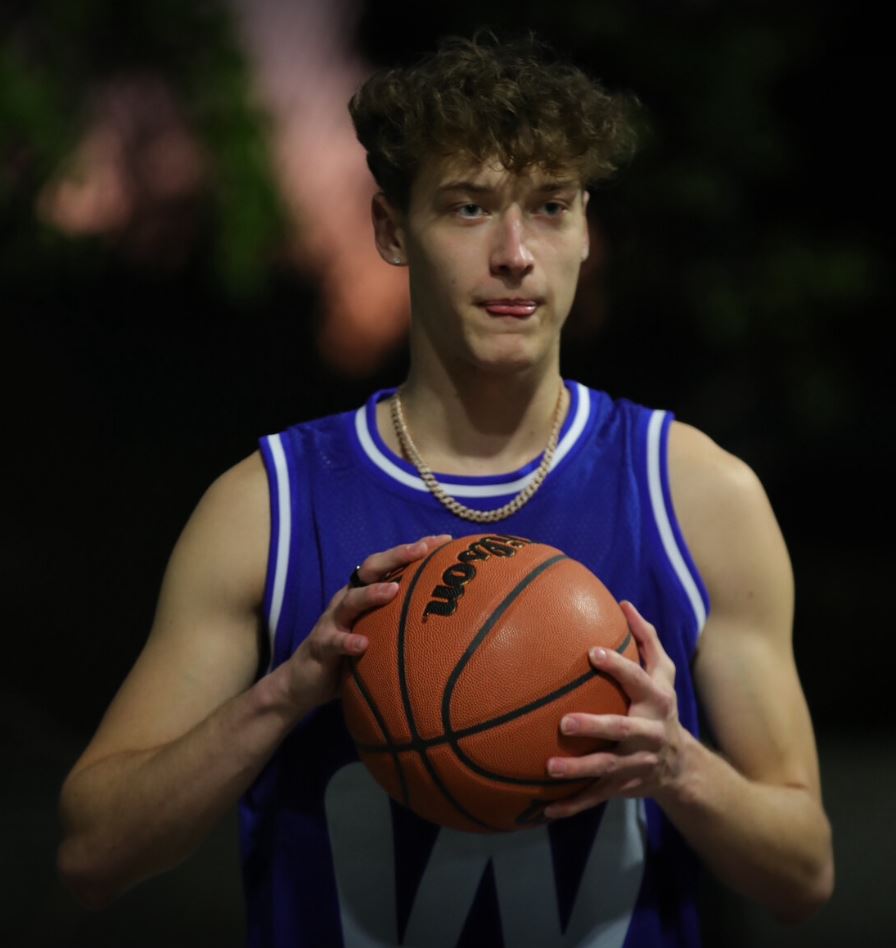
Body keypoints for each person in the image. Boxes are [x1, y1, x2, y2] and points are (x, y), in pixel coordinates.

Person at [57, 33, 834, 947]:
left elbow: (803, 873)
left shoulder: (698, 495)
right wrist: (283, 695)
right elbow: (93, 854)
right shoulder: (268, 507)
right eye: (469, 208)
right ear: (391, 230)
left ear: (587, 228)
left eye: (550, 207)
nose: (515, 253)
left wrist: (677, 768)